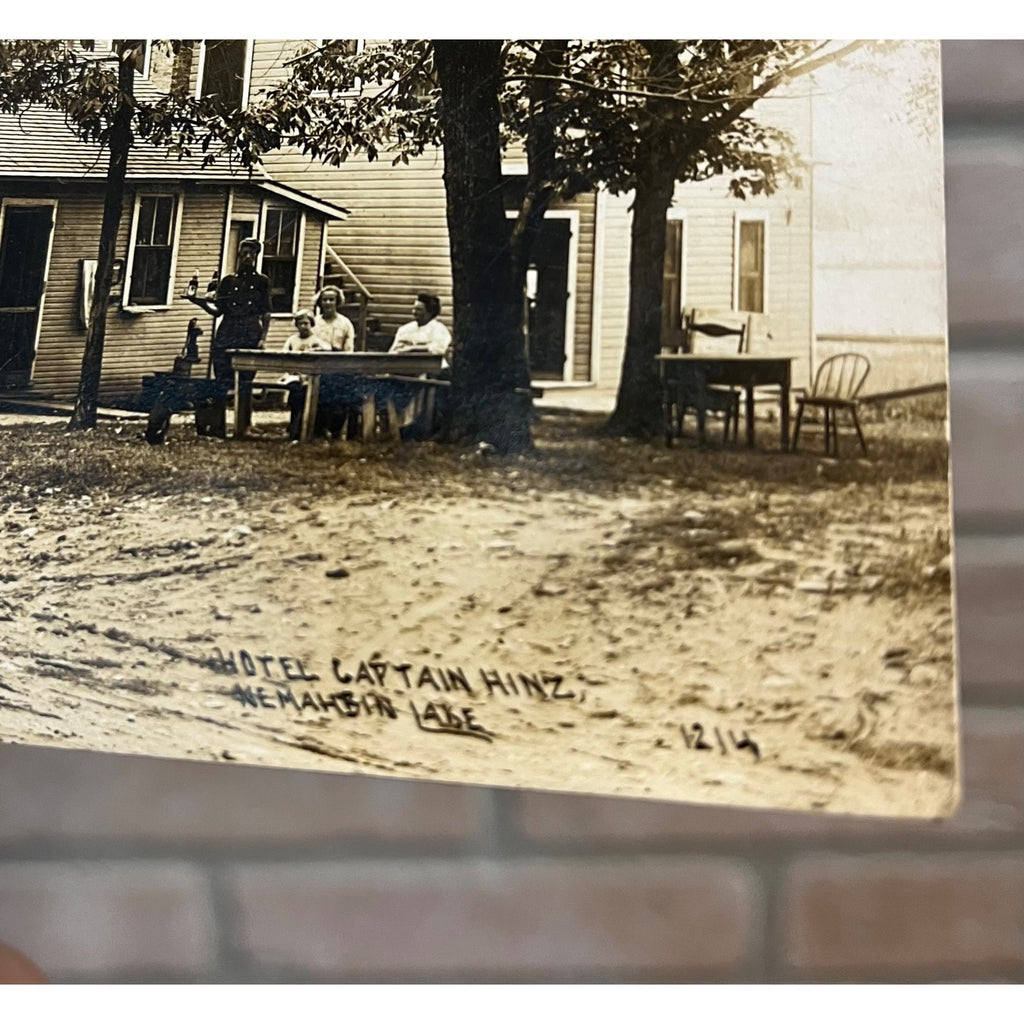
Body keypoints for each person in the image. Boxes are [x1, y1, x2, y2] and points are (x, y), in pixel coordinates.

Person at [186, 238, 271, 438]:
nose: (247, 257)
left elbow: (266, 313)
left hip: (250, 332)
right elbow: (217, 311)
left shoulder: (261, 281)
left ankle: (243, 427)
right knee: (221, 381)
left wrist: (263, 339)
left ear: (257, 256)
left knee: (245, 382)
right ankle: (217, 428)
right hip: (227, 332)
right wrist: (199, 303)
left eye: (252, 254)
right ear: (239, 255)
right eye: (244, 254)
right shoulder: (227, 281)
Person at [281, 309, 329, 442]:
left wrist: (317, 349)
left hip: (310, 377)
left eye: (306, 323)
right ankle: (294, 430)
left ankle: (312, 430)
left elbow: (327, 348)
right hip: (294, 375)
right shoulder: (292, 340)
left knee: (311, 394)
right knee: (296, 395)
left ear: (311, 324)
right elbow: (283, 356)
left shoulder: (315, 340)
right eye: (300, 324)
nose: (303, 326)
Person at [389, 293, 452, 359]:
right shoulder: (404, 329)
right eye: (414, 309)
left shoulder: (439, 329)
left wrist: (411, 349)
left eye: (419, 310)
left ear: (430, 312)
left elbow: (438, 350)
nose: (414, 312)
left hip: (431, 366)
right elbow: (393, 351)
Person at [312, 285, 356, 352]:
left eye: (331, 300)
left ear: (337, 301)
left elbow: (348, 350)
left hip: (338, 360)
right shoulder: (314, 323)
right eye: (324, 300)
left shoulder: (345, 323)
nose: (328, 303)